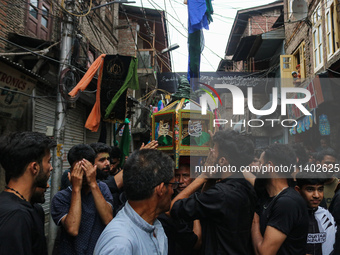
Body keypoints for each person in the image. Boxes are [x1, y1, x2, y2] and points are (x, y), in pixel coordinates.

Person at [170, 130, 257, 254]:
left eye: (213, 151)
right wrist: (210, 179)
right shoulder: (245, 187)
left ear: (222, 161)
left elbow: (174, 207)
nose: (210, 154)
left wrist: (203, 175)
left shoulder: (220, 194)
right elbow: (204, 202)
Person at [94, 149, 175, 255]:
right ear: (160, 189)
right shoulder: (120, 244)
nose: (173, 191)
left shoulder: (156, 227)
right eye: (172, 186)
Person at [51, 144, 113, 255]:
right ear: (70, 170)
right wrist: (76, 188)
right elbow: (72, 229)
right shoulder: (61, 198)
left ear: (93, 168)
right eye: (78, 170)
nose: (82, 175)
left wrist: (93, 182)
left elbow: (108, 220)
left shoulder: (102, 188)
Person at [0, 131, 56, 255]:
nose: (51, 168)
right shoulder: (16, 216)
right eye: (48, 161)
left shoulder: (30, 208)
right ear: (34, 167)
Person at [252, 144, 309, 255]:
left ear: (269, 166)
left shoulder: (287, 203)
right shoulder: (267, 197)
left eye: (260, 163)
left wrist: (255, 221)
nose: (257, 167)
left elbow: (265, 253)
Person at [295, 170, 336, 255]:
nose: (316, 195)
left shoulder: (326, 215)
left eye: (320, 189)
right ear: (298, 190)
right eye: (310, 189)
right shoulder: (292, 214)